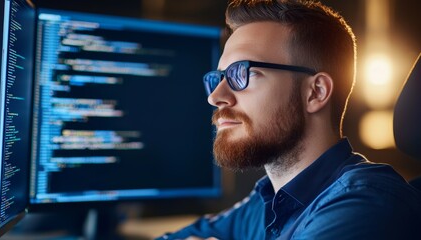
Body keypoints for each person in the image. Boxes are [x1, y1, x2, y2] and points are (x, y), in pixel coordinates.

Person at [156, 0, 421, 239]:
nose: (216, 97)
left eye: (241, 73)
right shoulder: (266, 203)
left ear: (315, 92)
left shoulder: (367, 204)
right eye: (219, 77)